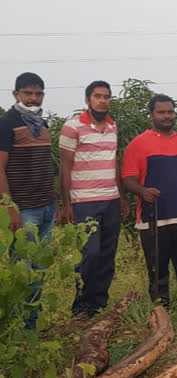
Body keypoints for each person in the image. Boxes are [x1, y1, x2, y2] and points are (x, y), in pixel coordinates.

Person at [121, 94, 177, 308]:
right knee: (157, 270)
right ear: (151, 115)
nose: (167, 116)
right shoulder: (139, 144)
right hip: (154, 219)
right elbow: (127, 179)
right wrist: (142, 191)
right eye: (161, 112)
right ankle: (161, 309)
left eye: (170, 112)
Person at [59, 81, 129, 318]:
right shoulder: (72, 127)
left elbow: (114, 162)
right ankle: (81, 306)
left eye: (107, 96)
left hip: (110, 198)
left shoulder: (112, 127)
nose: (102, 100)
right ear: (87, 99)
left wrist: (121, 198)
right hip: (84, 201)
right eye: (97, 96)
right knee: (90, 254)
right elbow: (65, 166)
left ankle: (98, 305)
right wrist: (67, 203)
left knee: (108, 254)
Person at [0, 72, 57, 328]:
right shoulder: (7, 123)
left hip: (46, 206)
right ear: (16, 94)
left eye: (38, 93)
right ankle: (22, 330)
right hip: (24, 210)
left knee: (39, 269)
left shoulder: (41, 124)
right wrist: (9, 208)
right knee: (25, 270)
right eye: (28, 93)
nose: (33, 98)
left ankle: (30, 325)